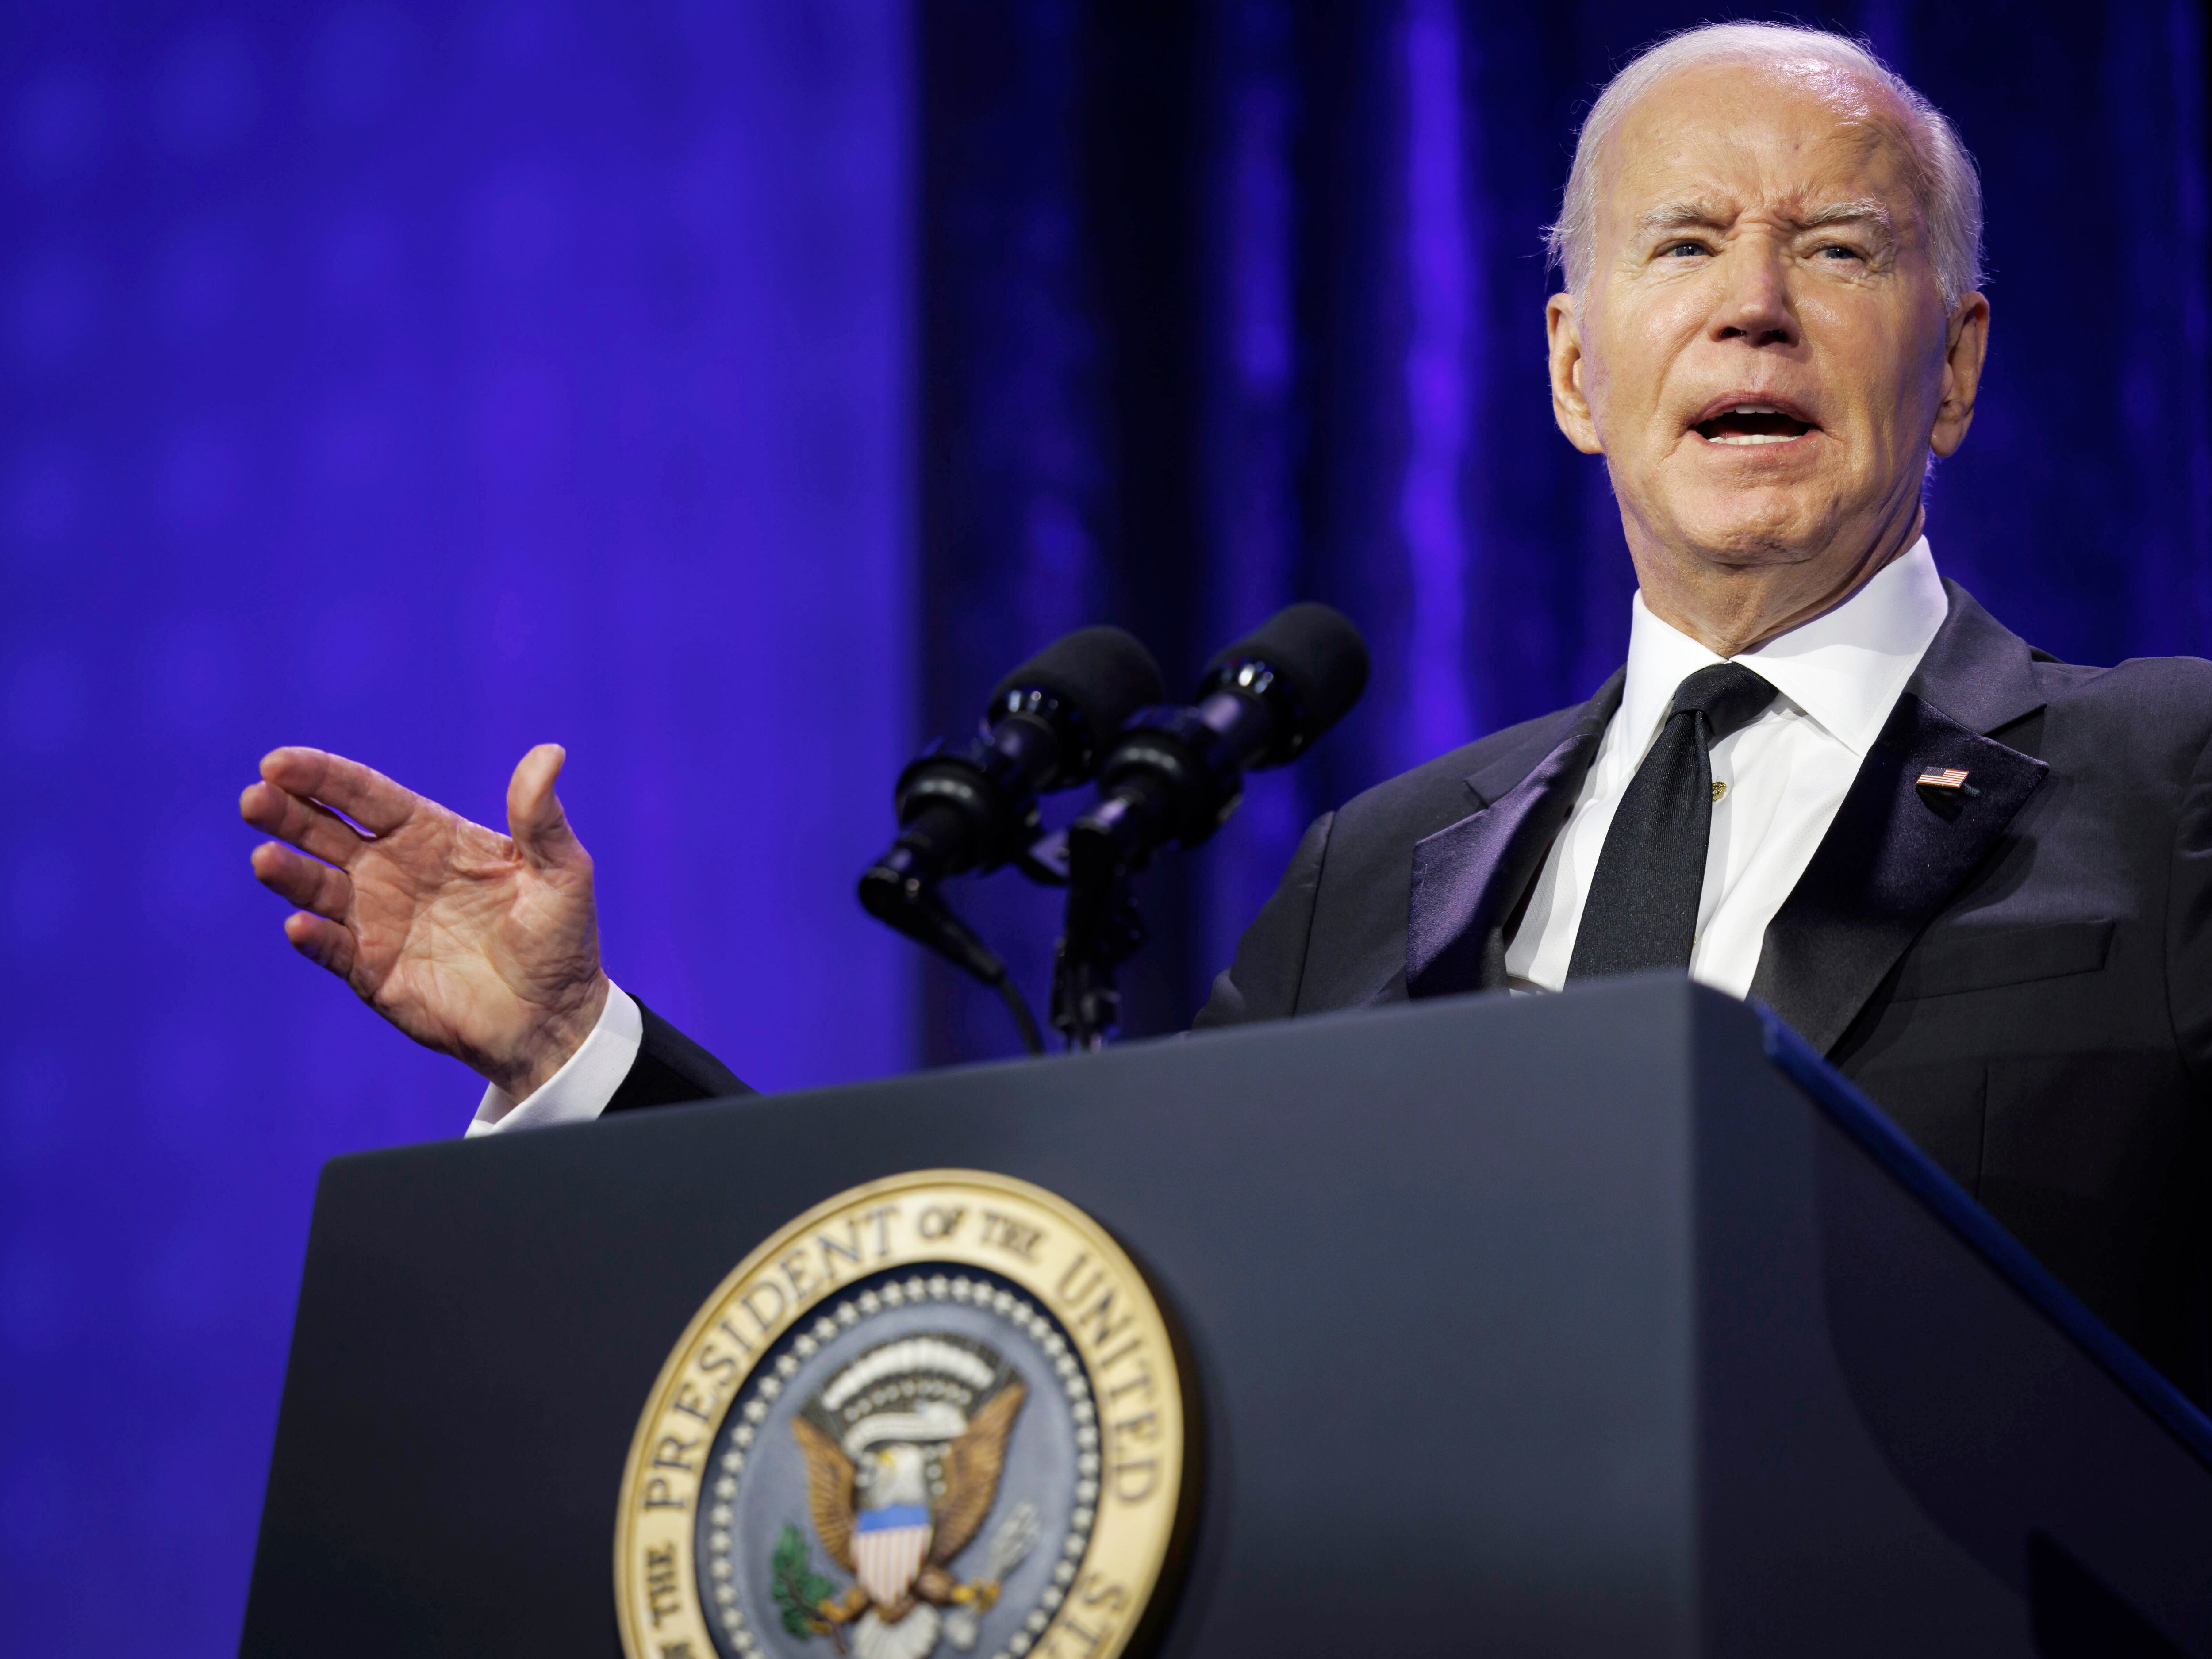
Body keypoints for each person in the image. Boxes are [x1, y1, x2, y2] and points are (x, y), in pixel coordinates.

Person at [240, 24, 2212, 1404]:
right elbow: (1048, 1340)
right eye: (1680, 245)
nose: (1752, 302)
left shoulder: (2166, 778)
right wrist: (579, 1050)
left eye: (1838, 249)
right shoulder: (1377, 871)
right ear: (1573, 371)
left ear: (1954, 367)